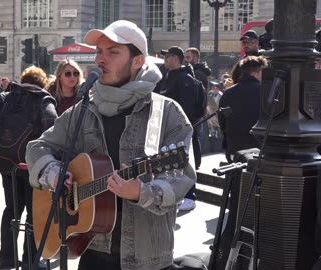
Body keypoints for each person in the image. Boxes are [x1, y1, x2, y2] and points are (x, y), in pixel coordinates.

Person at [26, 20, 196, 270]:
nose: (100, 60)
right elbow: (37, 147)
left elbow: (182, 176)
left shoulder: (165, 112)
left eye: (113, 52)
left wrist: (142, 192)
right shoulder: (84, 110)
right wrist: (54, 174)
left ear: (137, 61)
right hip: (93, 253)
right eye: (99, 52)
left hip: (148, 259)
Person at [0, 66, 57, 270]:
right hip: (31, 167)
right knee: (33, 213)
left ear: (23, 79)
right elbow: (52, 129)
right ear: (42, 83)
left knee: (11, 210)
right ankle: (30, 261)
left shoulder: (7, 97)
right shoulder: (44, 100)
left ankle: (6, 260)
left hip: (6, 163)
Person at [154, 46, 204, 211]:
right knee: (172, 163)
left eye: (167, 56)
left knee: (184, 162)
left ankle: (190, 196)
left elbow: (187, 109)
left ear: (175, 58)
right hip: (167, 130)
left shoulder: (184, 79)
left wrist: (182, 129)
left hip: (181, 130)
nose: (165, 60)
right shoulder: (168, 78)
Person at [218, 56, 268, 163]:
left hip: (234, 147)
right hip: (258, 147)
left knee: (235, 177)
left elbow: (222, 121)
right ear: (254, 74)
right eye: (261, 73)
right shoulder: (265, 93)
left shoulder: (228, 93)